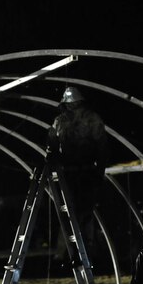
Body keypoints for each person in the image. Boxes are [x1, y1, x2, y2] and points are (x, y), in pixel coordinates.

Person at [46, 86, 110, 263]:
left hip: (77, 174)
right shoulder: (89, 119)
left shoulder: (63, 121)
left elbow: (52, 149)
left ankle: (75, 253)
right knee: (79, 214)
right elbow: (102, 148)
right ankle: (75, 253)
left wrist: (99, 173)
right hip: (79, 173)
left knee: (76, 215)